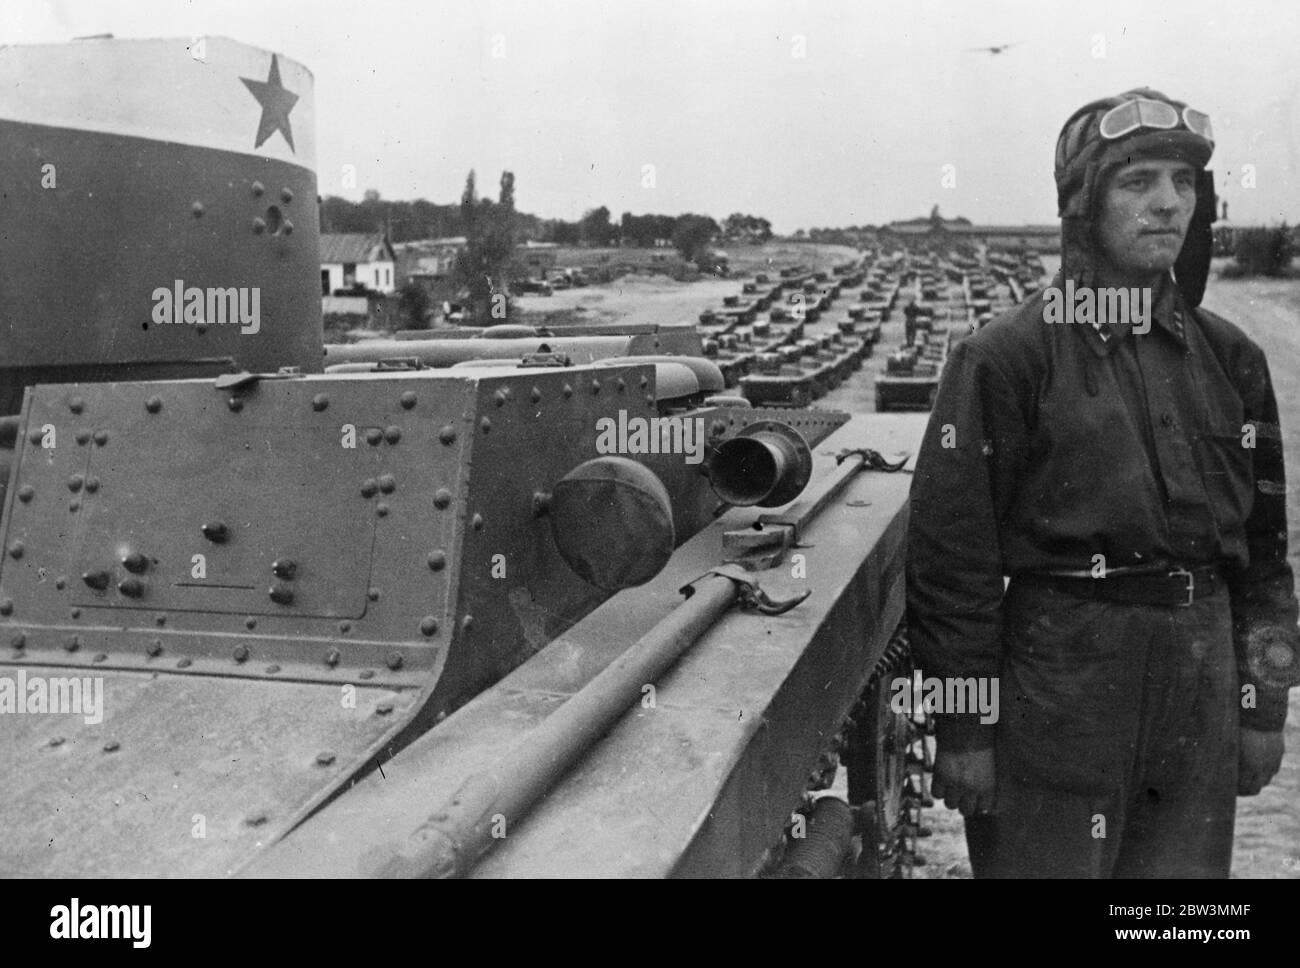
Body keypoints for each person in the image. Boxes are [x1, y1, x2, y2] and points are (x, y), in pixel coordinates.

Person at [906, 88, 1300, 878]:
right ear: (1085, 203)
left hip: (1201, 676)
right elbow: (954, 565)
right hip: (1060, 678)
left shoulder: (1234, 361)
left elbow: (1263, 557)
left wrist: (1263, 705)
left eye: (1184, 184)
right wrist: (966, 732)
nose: (1168, 204)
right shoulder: (1003, 360)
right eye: (1138, 181)